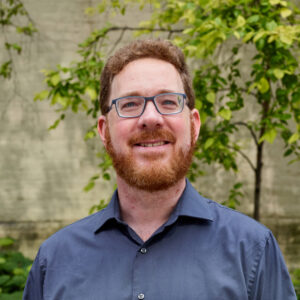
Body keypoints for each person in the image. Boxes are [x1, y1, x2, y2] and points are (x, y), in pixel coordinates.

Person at [23, 39, 297, 300]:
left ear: (194, 125)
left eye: (168, 102)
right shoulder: (55, 261)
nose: (150, 118)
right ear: (104, 131)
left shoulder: (252, 250)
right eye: (130, 104)